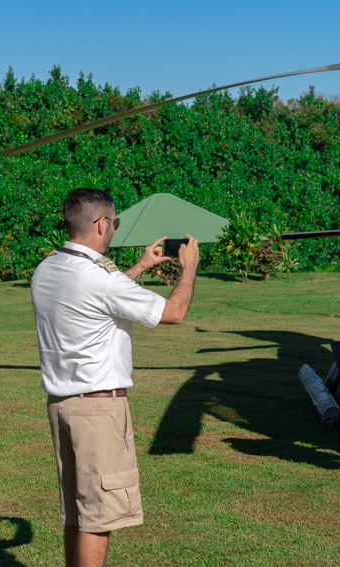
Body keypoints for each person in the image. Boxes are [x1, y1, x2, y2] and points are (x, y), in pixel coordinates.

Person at [31, 188, 199, 567]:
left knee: (76, 513)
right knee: (99, 516)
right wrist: (188, 267)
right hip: (98, 410)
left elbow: (94, 299)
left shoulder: (48, 268)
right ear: (102, 223)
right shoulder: (101, 279)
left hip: (62, 407)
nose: (114, 229)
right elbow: (173, 312)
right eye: (115, 223)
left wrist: (139, 268)